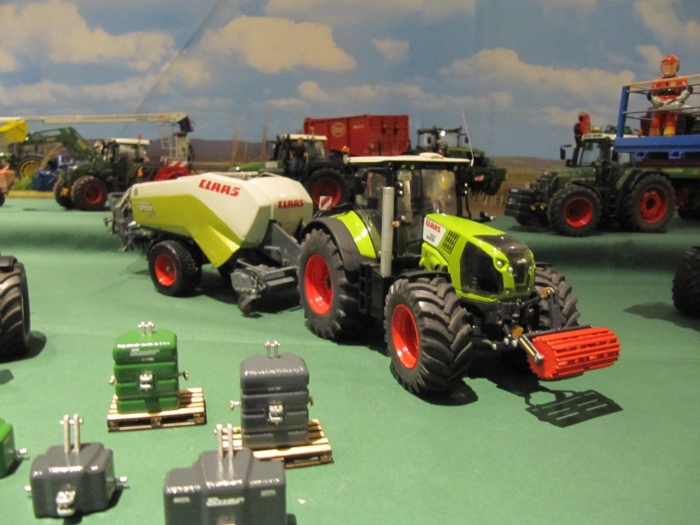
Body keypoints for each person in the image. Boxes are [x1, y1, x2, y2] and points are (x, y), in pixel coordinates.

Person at [648, 54, 693, 136]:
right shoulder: (658, 81)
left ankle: (669, 138)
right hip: (660, 106)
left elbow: (688, 89)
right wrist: (656, 100)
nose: (668, 67)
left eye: (671, 64)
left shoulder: (680, 80)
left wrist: (679, 100)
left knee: (670, 122)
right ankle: (653, 139)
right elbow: (651, 93)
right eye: (665, 64)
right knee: (655, 122)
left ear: (677, 66)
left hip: (672, 105)